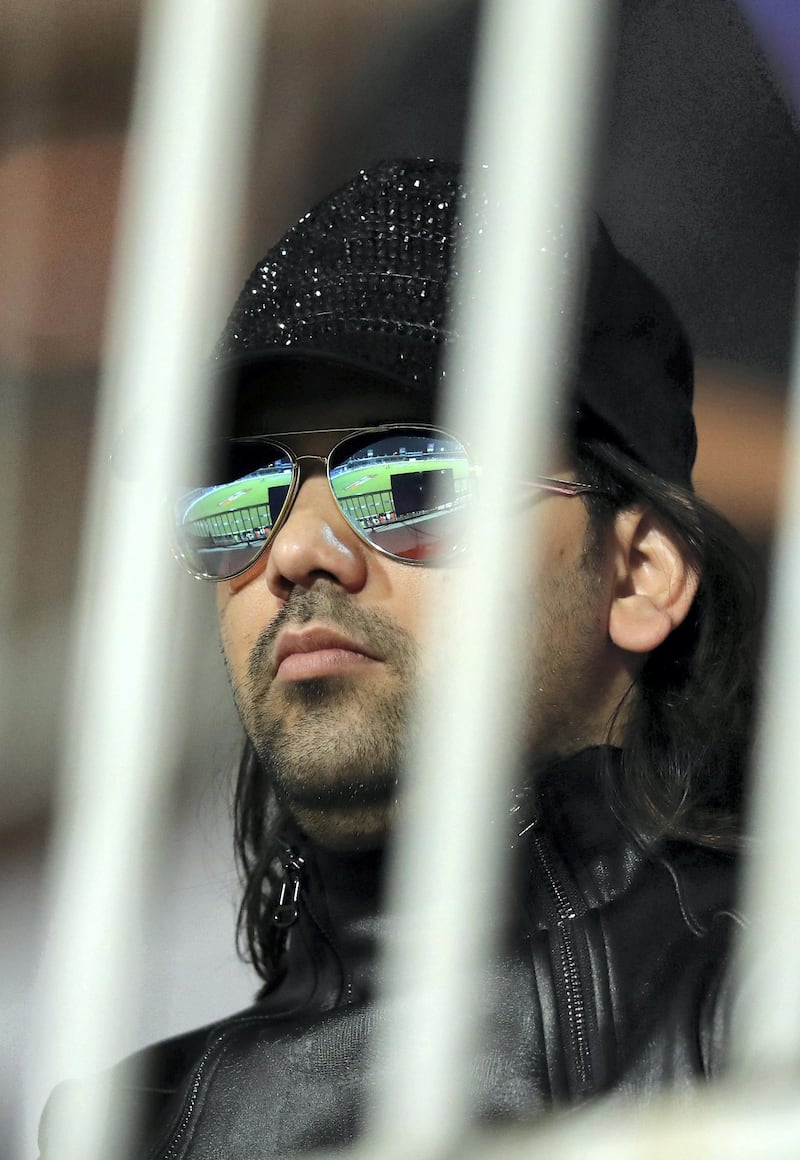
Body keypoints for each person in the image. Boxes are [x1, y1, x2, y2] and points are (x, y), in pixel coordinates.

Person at [39, 158, 758, 1158]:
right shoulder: (129, 1126)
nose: (294, 553)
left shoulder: (769, 1009)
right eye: (236, 501)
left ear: (636, 574)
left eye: (411, 481)